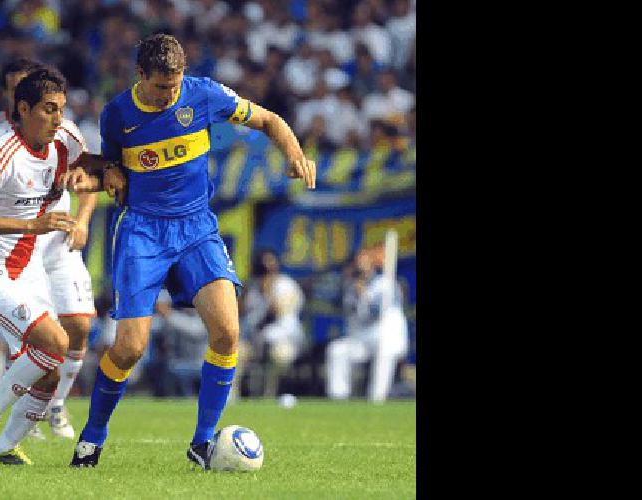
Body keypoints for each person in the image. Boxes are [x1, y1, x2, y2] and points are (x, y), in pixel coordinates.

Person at [60, 33, 316, 469]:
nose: (170, 95)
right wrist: (108, 173)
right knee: (129, 348)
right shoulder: (118, 113)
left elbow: (270, 120)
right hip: (143, 230)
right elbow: (111, 163)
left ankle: (202, 444)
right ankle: (91, 437)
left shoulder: (205, 94)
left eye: (175, 86)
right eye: (161, 87)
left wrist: (295, 154)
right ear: (141, 76)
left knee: (228, 333)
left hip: (197, 227)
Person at [0, 58, 100, 440]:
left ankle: (6, 446)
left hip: (28, 264)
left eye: (61, 110)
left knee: (51, 363)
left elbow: (92, 172)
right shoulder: (0, 150)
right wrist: (33, 224)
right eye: (49, 110)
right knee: (53, 343)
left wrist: (89, 177)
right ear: (22, 108)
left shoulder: (65, 138)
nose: (58, 119)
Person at [326, 244, 408, 403]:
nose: (360, 264)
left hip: (386, 334)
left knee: (385, 350)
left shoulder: (385, 283)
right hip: (363, 337)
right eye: (358, 261)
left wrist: (362, 293)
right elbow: (340, 306)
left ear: (372, 263)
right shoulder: (351, 286)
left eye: (365, 260)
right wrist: (349, 285)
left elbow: (375, 312)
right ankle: (338, 398)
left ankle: (377, 399)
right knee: (337, 350)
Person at [240, 249, 306, 398]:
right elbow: (242, 312)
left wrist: (268, 290)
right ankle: (232, 398)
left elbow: (279, 312)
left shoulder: (286, 284)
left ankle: (271, 395)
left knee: (280, 354)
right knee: (236, 353)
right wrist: (246, 290)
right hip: (256, 339)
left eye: (271, 263)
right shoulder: (253, 287)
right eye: (264, 264)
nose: (268, 268)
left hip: (286, 340)